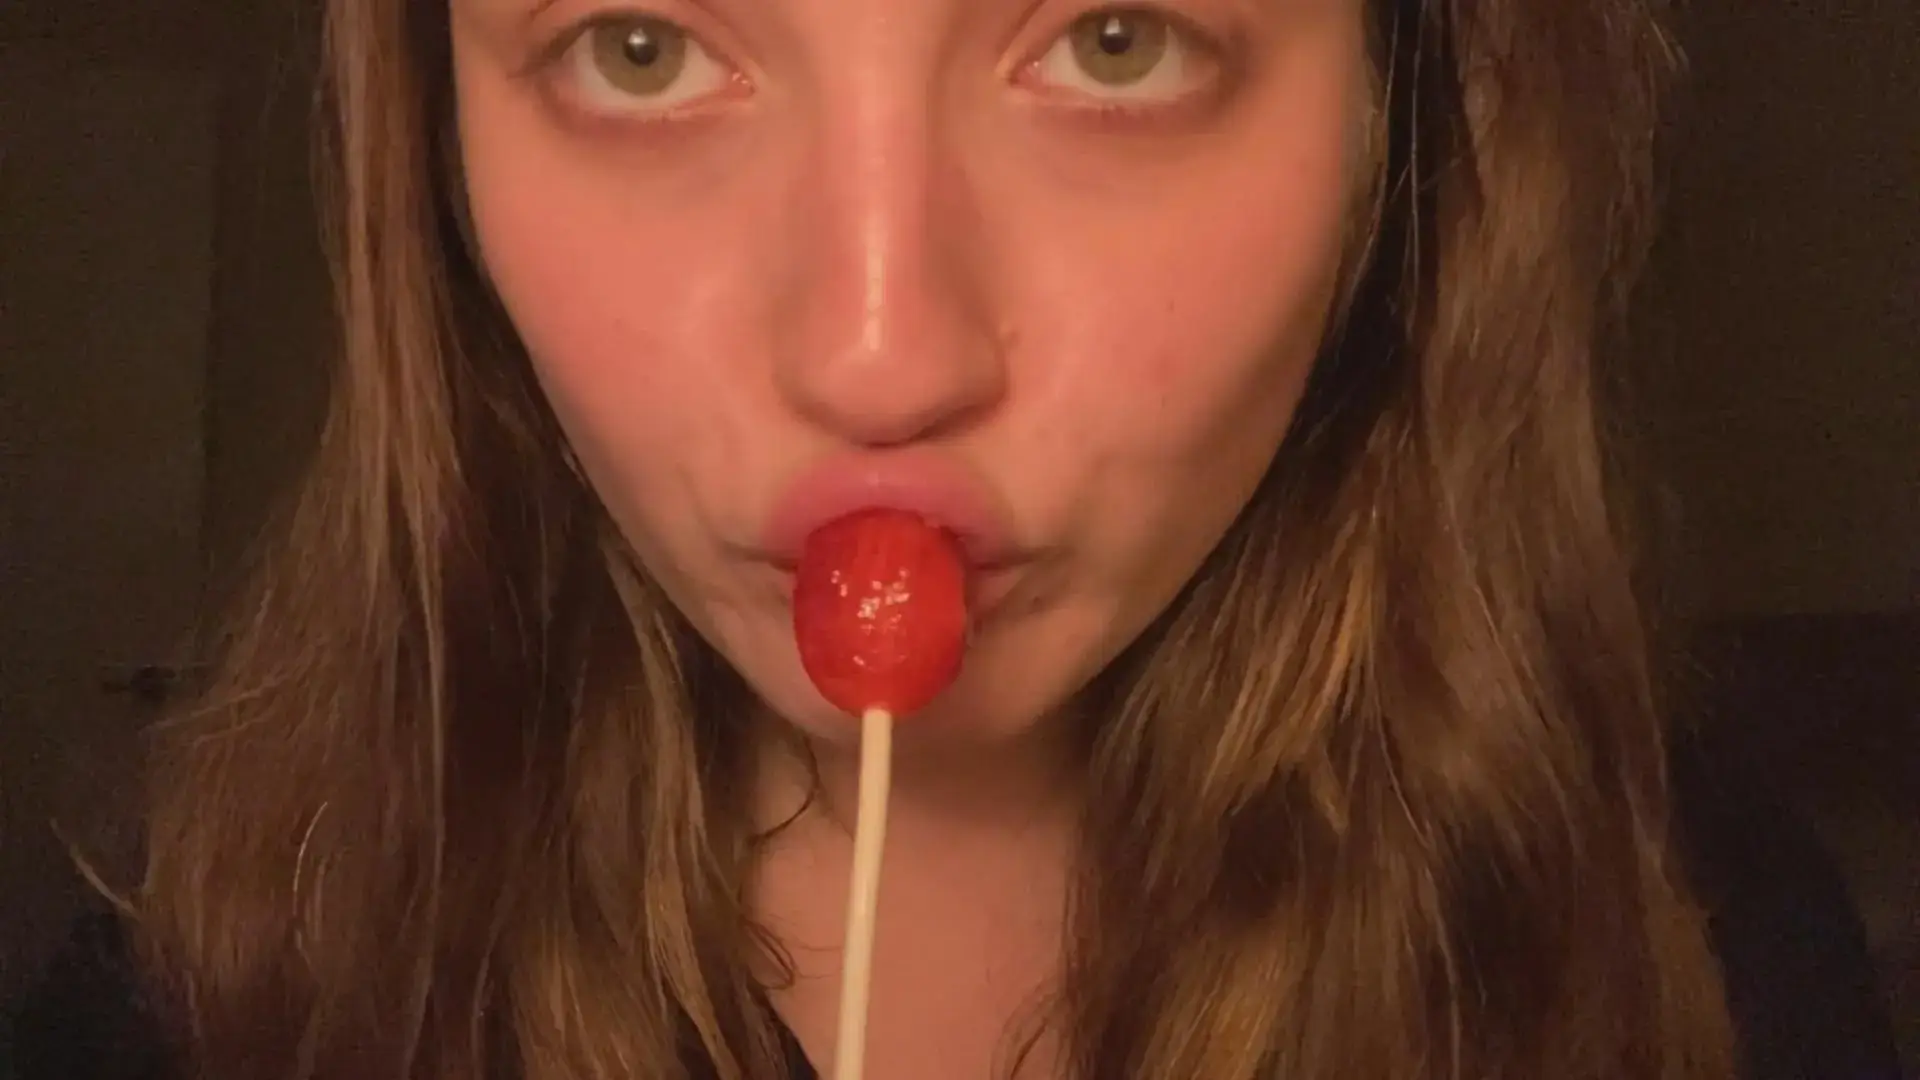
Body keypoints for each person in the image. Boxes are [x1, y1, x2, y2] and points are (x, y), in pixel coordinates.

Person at [1, 0, 1902, 1078]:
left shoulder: (1696, 961)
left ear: (1405, 123)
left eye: (1116, 39)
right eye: (642, 46)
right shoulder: (196, 1015)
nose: (878, 355)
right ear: (431, 142)